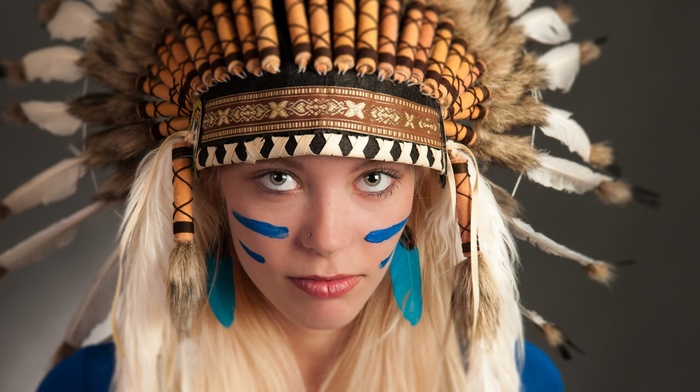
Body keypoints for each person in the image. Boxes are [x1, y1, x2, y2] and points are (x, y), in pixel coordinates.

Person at [0, 0, 646, 390]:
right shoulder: (101, 386)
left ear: (424, 192)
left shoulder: (510, 383)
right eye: (278, 177)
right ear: (204, 188)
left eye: (374, 178)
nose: (327, 238)